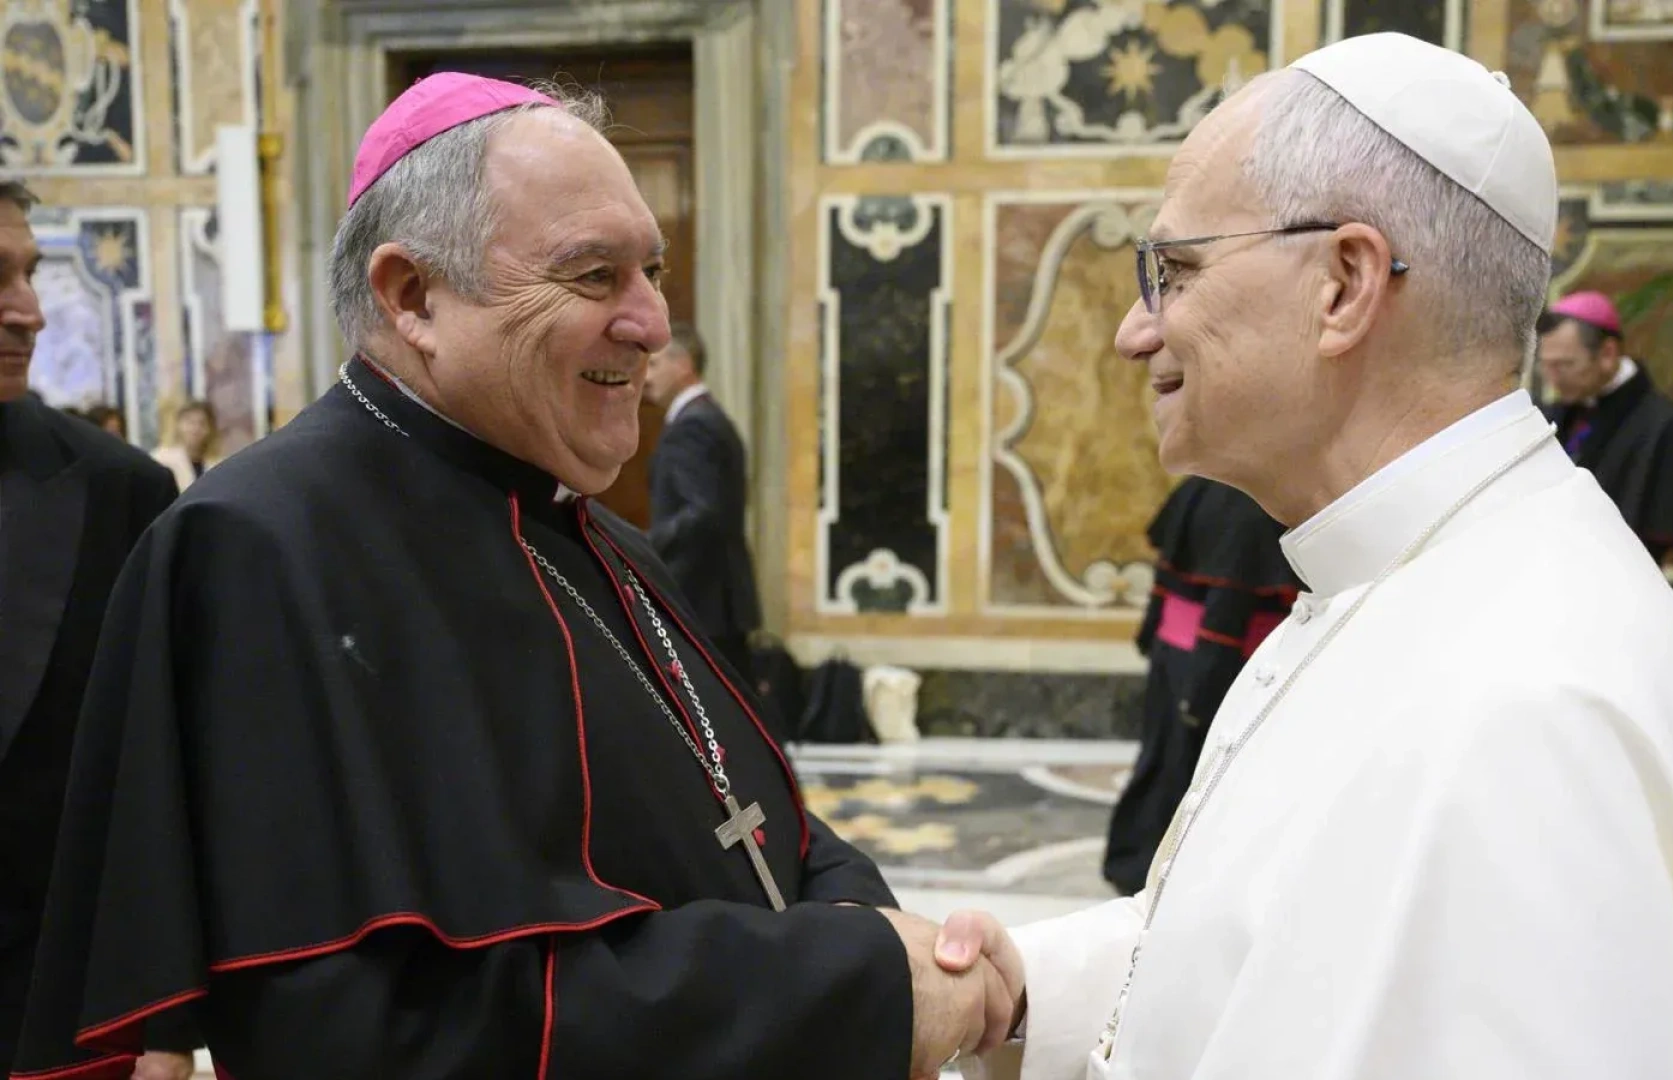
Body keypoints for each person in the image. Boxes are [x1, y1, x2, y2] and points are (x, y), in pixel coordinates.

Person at [10, 74, 1012, 1080]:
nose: (653, 323)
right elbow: (370, 1036)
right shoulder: (261, 553)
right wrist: (846, 985)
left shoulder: (603, 541)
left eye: (653, 271)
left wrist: (877, 925)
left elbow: (746, 824)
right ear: (413, 297)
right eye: (593, 276)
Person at [949, 32, 1673, 1080]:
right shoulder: (1403, 588)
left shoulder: (1533, 716)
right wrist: (1016, 991)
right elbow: (1271, 943)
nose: (1133, 333)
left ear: (1344, 283)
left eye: (1176, 271)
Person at [0, 182, 185, 1078]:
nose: (28, 312)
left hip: (49, 1026)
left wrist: (166, 1025)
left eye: (28, 274)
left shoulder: (120, 493)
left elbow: (159, 776)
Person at [1101, 476, 1298, 895]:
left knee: (1164, 760)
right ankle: (1154, 876)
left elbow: (1169, 574)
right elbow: (1226, 606)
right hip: (1217, 665)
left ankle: (1134, 863)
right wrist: (1202, 688)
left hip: (1174, 656)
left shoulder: (1199, 488)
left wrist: (1151, 634)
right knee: (1193, 774)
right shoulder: (1246, 506)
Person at [1535, 291, 1673, 566]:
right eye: (1546, 366)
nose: (1553, 379)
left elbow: (1662, 540)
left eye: (1564, 365)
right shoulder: (1557, 414)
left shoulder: (1666, 426)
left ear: (1608, 354)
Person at [640, 321, 762, 677]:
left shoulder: (695, 425)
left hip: (703, 599)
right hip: (713, 600)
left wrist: (645, 546)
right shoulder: (705, 417)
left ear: (684, 364)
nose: (644, 376)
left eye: (654, 364)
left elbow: (703, 512)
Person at [150, 399, 221, 490]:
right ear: (178, 425)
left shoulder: (218, 462)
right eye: (190, 422)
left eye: (202, 423)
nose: (195, 429)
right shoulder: (161, 459)